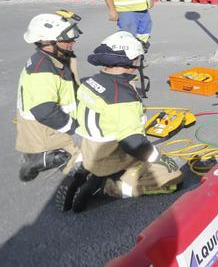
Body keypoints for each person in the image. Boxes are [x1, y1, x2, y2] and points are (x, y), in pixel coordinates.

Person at [57, 31, 181, 213]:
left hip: (88, 147)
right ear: (130, 61)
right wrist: (157, 157)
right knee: (172, 177)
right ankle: (108, 185)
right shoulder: (122, 96)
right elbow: (133, 142)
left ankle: (83, 169)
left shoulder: (89, 82)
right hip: (112, 153)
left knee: (100, 155)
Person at [16, 11, 82, 182]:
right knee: (95, 157)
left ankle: (42, 152)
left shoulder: (52, 58)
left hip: (43, 126)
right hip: (45, 131)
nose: (73, 41)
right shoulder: (43, 71)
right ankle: (46, 157)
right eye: (67, 39)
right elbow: (44, 111)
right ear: (48, 42)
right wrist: (74, 130)